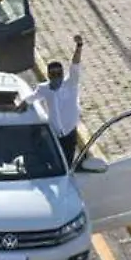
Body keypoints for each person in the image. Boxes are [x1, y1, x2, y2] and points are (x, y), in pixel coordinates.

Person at [18, 35, 84, 165]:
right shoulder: (44, 89)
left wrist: (79, 46)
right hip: (54, 133)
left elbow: (75, 64)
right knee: (53, 161)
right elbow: (33, 97)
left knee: (68, 162)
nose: (56, 77)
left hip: (69, 131)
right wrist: (22, 104)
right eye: (53, 74)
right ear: (48, 75)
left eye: (59, 74)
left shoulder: (71, 84)